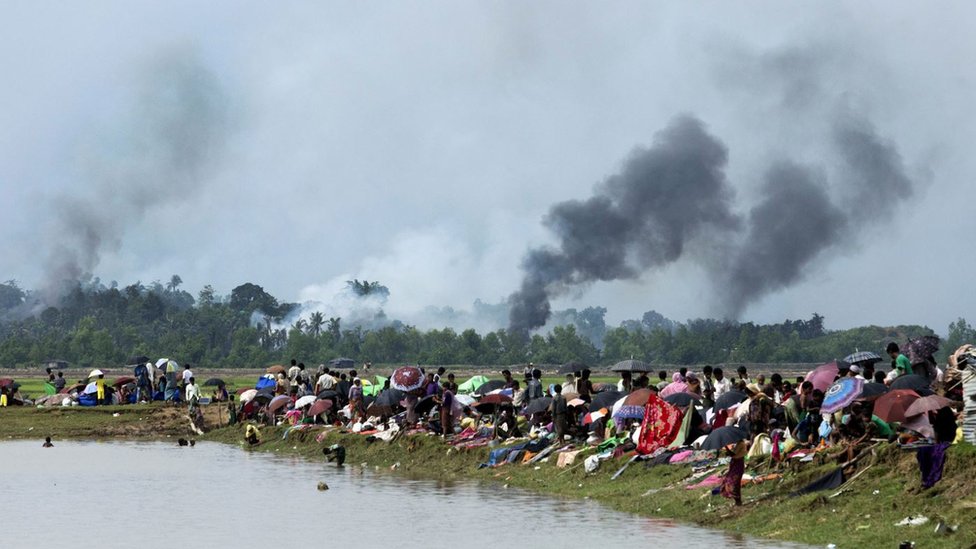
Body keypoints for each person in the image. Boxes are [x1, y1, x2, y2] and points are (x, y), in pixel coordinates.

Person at [720, 440, 748, 505]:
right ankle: (737, 501)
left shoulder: (741, 444)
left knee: (734, 482)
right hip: (735, 463)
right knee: (731, 481)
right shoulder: (738, 443)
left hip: (738, 464)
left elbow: (733, 454)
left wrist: (726, 448)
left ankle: (738, 500)